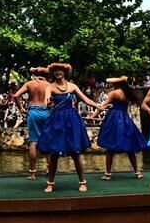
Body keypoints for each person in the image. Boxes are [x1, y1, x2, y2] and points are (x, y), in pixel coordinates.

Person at [37, 63, 103, 193]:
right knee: (54, 154)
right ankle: (50, 183)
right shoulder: (50, 87)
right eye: (55, 70)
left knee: (76, 153)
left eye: (60, 70)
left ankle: (83, 182)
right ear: (53, 73)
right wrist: (48, 103)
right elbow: (46, 99)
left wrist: (98, 106)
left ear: (65, 72)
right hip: (57, 121)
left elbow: (85, 99)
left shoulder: (72, 86)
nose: (58, 72)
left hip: (72, 120)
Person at [91, 77, 148, 180]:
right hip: (125, 118)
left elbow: (102, 106)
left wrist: (94, 116)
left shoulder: (114, 93)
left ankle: (108, 174)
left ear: (117, 84)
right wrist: (111, 106)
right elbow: (117, 105)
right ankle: (137, 172)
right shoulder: (127, 93)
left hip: (114, 118)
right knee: (130, 147)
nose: (112, 85)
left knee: (110, 147)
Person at [13, 66, 52, 180]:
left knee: (33, 142)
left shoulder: (29, 84)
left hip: (33, 112)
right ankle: (49, 170)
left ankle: (32, 173)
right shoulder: (49, 85)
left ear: (35, 74)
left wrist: (21, 109)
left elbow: (16, 96)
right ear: (47, 75)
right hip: (46, 112)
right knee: (48, 142)